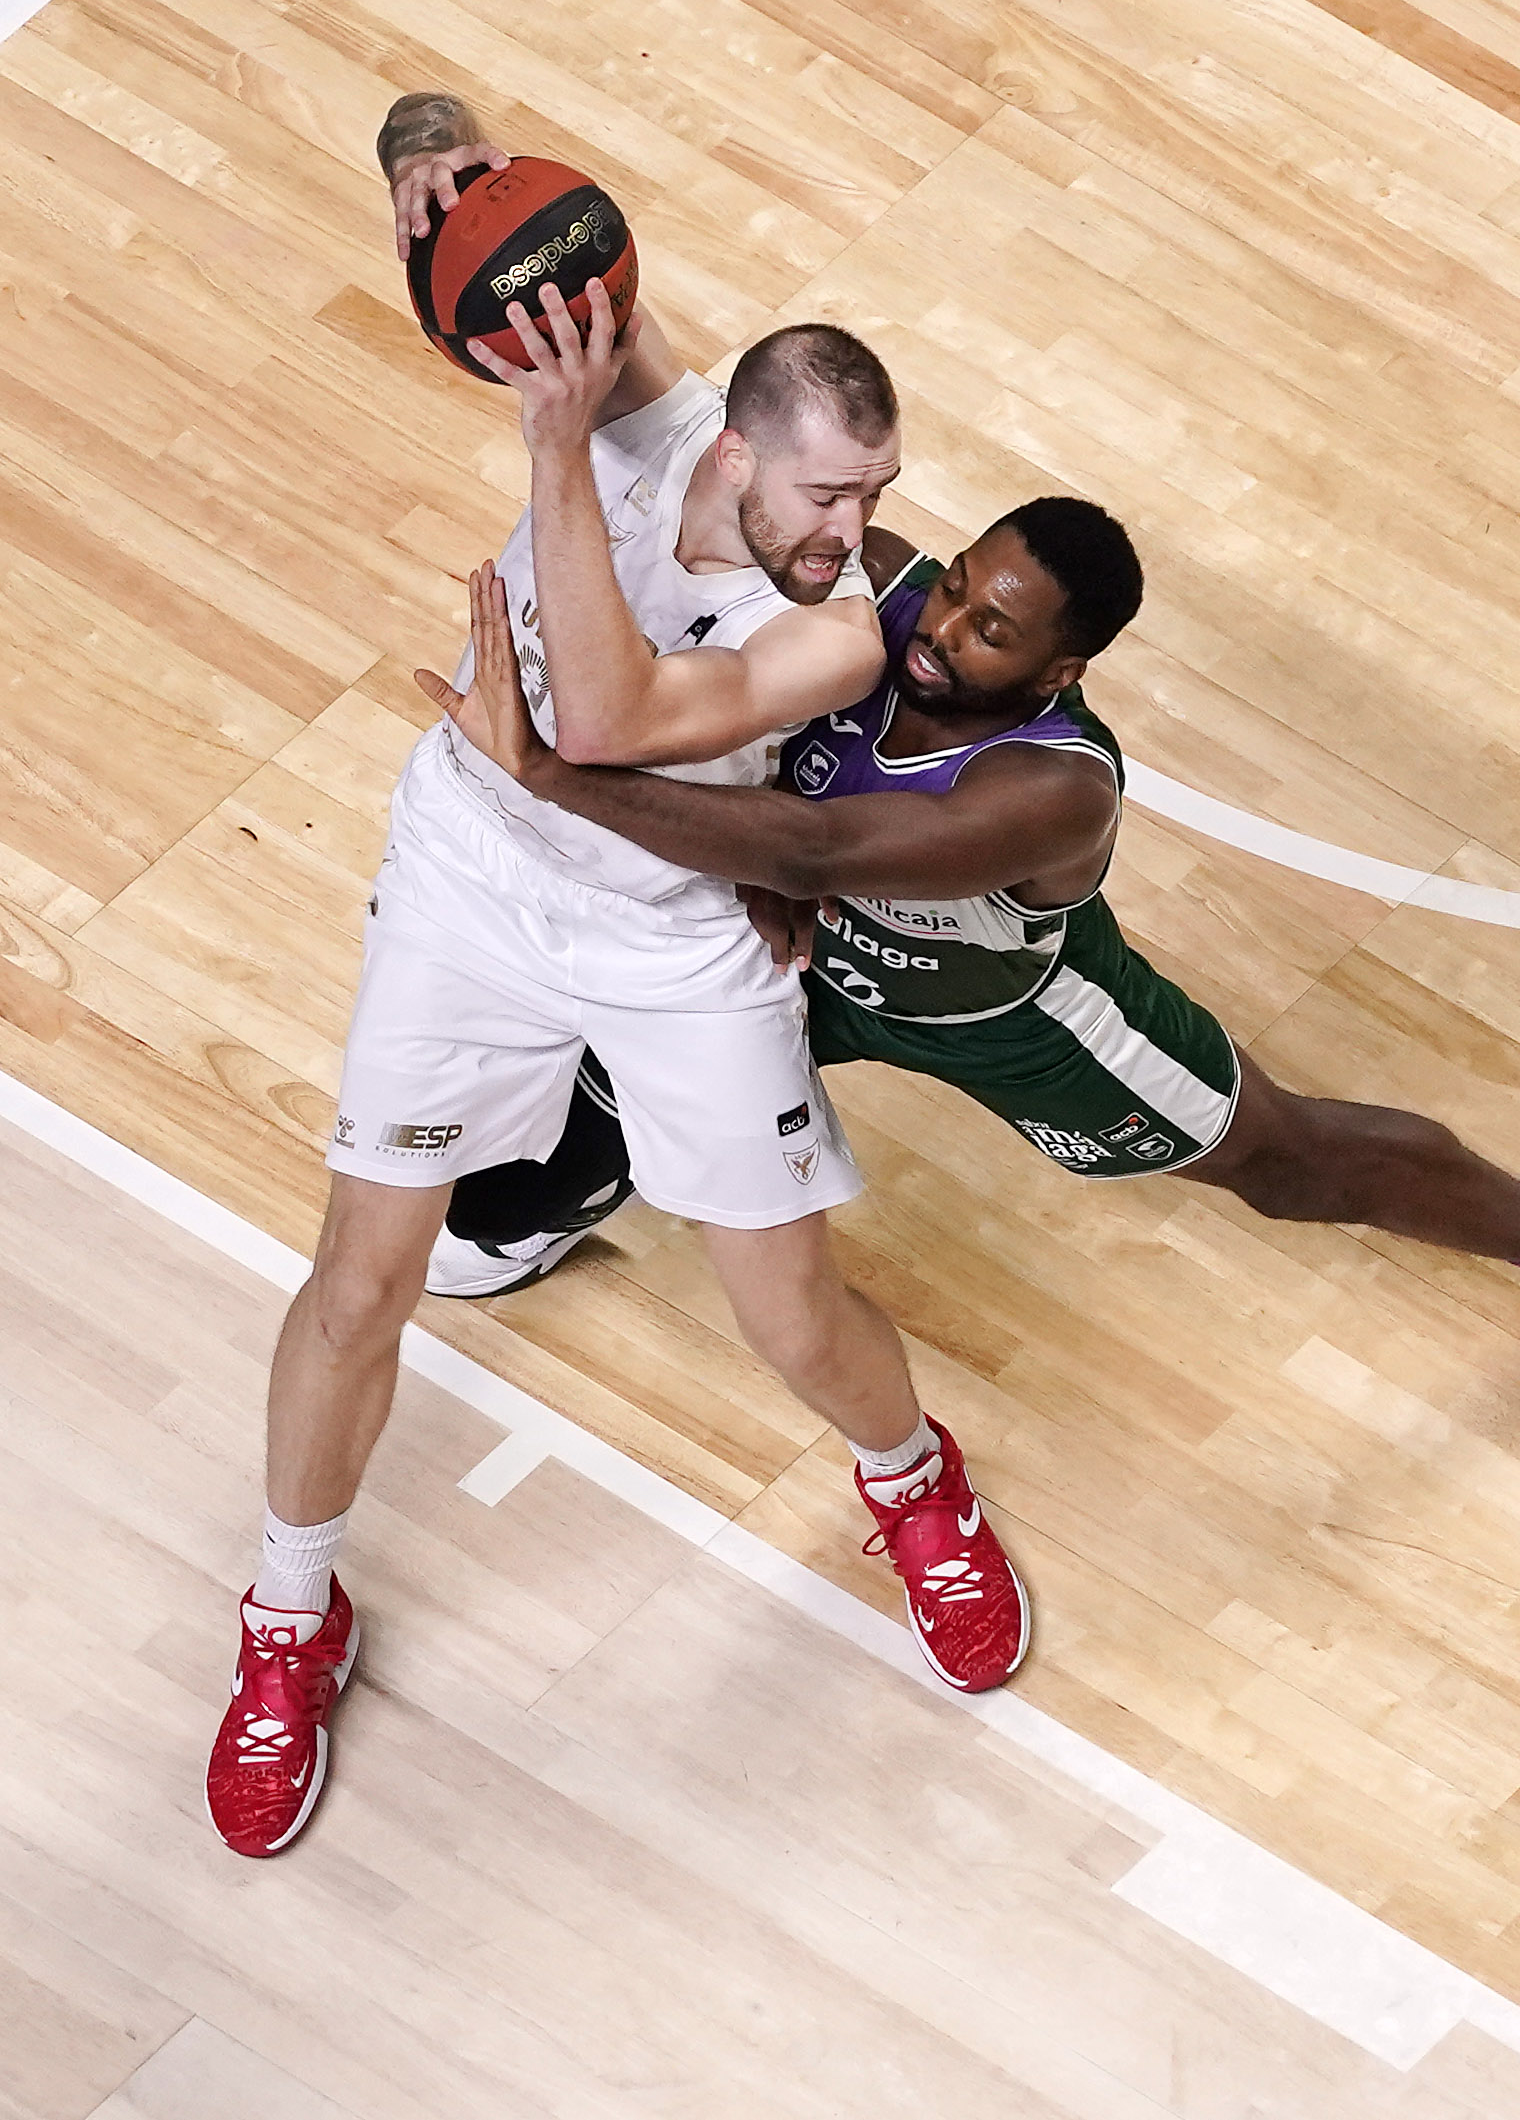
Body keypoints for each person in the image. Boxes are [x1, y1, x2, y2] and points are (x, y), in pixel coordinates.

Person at [204, 102, 1027, 1863]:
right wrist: (428, 152)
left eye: (876, 494)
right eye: (831, 493)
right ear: (733, 450)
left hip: (673, 932)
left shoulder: (835, 632)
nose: (862, 530)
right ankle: (288, 1616)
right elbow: (487, 198)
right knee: (359, 1279)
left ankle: (914, 1483)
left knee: (789, 1313)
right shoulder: (648, 419)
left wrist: (552, 449)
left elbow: (598, 719)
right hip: (475, 885)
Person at [428, 507, 1520, 1506]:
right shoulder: (865, 587)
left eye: (991, 630)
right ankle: (555, 1196)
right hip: (800, 965)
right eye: (954, 586)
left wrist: (547, 773)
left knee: (1285, 1163)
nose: (941, 628)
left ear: (1058, 670)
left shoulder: (1051, 788)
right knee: (575, 1098)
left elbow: (816, 852)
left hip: (999, 1014)